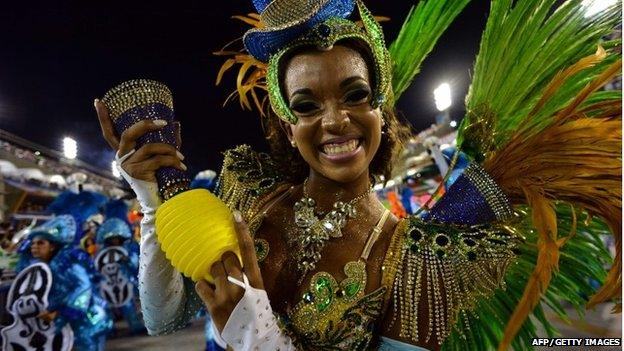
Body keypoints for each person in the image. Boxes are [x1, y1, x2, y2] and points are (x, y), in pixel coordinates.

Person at [94, 0, 620, 350]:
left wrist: (254, 334)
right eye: (307, 104)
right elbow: (164, 317)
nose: (334, 120)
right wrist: (153, 202)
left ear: (380, 107)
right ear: (287, 119)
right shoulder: (249, 196)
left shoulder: (417, 262)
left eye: (354, 95)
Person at [14, 215, 112, 351]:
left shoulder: (67, 262)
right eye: (33, 244)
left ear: (52, 246)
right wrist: (24, 253)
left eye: (40, 243)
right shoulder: (45, 264)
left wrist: (62, 312)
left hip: (88, 318)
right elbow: (23, 274)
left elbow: (83, 286)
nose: (34, 247)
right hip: (73, 321)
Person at [94, 218, 144, 334]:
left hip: (126, 284)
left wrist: (128, 260)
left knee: (129, 307)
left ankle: (135, 326)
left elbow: (135, 264)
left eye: (117, 239)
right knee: (107, 309)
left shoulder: (128, 250)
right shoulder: (101, 253)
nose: (115, 241)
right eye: (112, 239)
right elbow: (97, 267)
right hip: (107, 286)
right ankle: (109, 329)